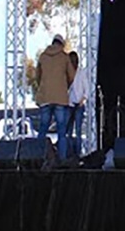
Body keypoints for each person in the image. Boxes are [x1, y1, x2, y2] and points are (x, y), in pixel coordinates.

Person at [36, 33, 75, 161]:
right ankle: (62, 159)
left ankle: (39, 157)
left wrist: (43, 87)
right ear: (61, 44)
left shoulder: (43, 56)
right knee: (61, 130)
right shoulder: (64, 57)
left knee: (43, 128)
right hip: (60, 98)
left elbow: (38, 76)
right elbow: (72, 76)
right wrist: (64, 87)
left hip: (45, 97)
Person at [66, 50, 88, 158]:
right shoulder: (67, 73)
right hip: (69, 105)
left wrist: (82, 100)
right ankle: (70, 153)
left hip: (79, 105)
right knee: (68, 131)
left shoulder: (82, 73)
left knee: (78, 130)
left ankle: (78, 154)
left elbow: (87, 90)